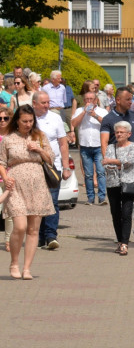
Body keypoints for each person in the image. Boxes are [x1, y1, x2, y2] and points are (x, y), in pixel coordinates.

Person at [0, 105, 55, 280]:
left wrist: (38, 149)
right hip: (15, 185)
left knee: (33, 229)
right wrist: (5, 177)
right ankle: (14, 262)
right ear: (17, 120)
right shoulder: (8, 139)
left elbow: (51, 159)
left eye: (31, 121)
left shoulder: (39, 136)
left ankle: (27, 268)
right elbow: (1, 162)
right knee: (20, 226)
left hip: (37, 185)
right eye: (24, 121)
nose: (28, 124)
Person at [99, 87, 134, 244]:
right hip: (114, 167)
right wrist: (108, 162)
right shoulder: (108, 119)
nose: (131, 102)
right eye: (128, 99)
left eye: (132, 99)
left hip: (132, 164)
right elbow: (104, 142)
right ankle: (121, 235)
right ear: (118, 100)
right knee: (117, 203)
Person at [32, 91, 71, 249]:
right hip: (33, 167)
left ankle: (50, 236)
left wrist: (66, 166)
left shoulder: (55, 118)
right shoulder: (28, 118)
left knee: (52, 201)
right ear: (34, 103)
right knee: (36, 203)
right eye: (43, 103)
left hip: (53, 167)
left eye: (48, 102)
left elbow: (63, 143)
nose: (47, 106)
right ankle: (39, 236)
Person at [102, 121, 134, 256]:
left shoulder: (133, 146)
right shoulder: (110, 147)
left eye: (121, 132)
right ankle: (119, 241)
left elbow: (129, 161)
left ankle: (125, 243)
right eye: (117, 132)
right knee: (115, 213)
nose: (118, 135)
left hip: (128, 183)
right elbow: (106, 165)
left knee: (126, 213)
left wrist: (112, 162)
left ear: (129, 134)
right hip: (112, 183)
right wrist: (117, 164)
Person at [71, 89, 108, 206]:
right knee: (88, 174)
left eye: (91, 99)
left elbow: (107, 123)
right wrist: (83, 113)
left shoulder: (102, 111)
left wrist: (95, 115)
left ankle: (102, 197)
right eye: (86, 99)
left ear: (95, 100)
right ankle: (90, 198)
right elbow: (74, 123)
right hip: (85, 145)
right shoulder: (79, 110)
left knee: (101, 172)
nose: (88, 101)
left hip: (99, 146)